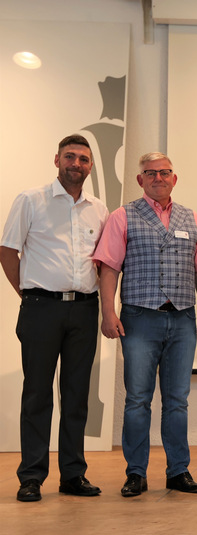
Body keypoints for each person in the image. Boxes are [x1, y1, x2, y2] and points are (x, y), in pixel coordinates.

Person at [94, 152, 197, 497]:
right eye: (150, 173)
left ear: (174, 178)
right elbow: (109, 268)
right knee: (137, 400)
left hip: (182, 318)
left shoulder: (193, 219)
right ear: (140, 180)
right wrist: (108, 312)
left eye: (164, 173)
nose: (158, 178)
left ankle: (178, 471)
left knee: (178, 400)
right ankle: (136, 473)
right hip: (139, 318)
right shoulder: (123, 217)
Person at [0, 134, 108, 502]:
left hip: (84, 308)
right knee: (36, 394)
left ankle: (73, 475)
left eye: (83, 159)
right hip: (41, 309)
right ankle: (31, 477)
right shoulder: (31, 200)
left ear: (90, 166)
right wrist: (28, 294)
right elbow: (8, 251)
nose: (76, 164)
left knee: (77, 396)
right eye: (70, 157)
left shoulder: (99, 208)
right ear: (57, 160)